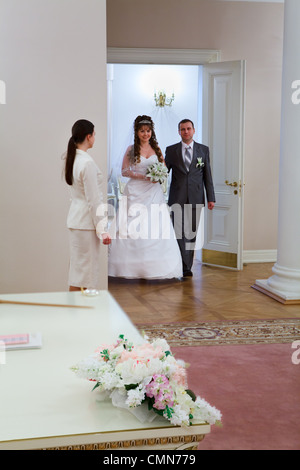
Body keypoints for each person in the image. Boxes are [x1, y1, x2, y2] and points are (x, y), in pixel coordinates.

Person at [108, 115, 182, 279]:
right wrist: (143, 176)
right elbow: (124, 171)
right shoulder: (131, 149)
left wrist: (158, 175)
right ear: (137, 132)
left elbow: (163, 168)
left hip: (153, 192)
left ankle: (157, 267)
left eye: (148, 131)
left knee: (155, 225)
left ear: (151, 132)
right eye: (142, 131)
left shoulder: (156, 148)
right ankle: (129, 267)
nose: (145, 134)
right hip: (135, 190)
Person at [165, 119, 215, 277]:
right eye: (182, 129)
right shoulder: (171, 150)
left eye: (188, 128)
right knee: (179, 233)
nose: (185, 131)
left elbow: (208, 176)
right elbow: (163, 172)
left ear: (193, 130)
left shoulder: (203, 150)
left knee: (191, 233)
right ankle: (179, 264)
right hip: (177, 197)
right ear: (178, 132)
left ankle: (187, 267)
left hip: (196, 197)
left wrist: (211, 198)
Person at [65, 119, 111, 291]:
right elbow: (94, 200)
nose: (94, 138)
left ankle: (74, 313)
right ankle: (81, 315)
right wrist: (103, 229)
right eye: (94, 135)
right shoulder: (87, 163)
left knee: (78, 273)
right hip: (86, 224)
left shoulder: (73, 159)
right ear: (88, 136)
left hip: (76, 220)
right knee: (86, 275)